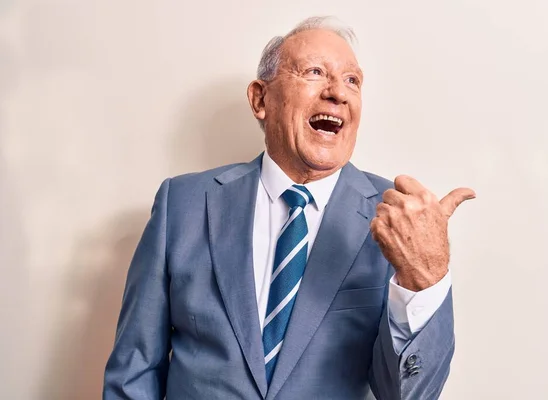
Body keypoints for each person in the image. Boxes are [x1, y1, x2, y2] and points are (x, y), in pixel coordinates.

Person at [103, 16, 475, 400]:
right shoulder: (182, 204)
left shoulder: (396, 218)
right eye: (315, 72)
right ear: (260, 99)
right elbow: (134, 371)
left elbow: (408, 394)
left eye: (352, 81)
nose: (339, 93)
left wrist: (425, 280)